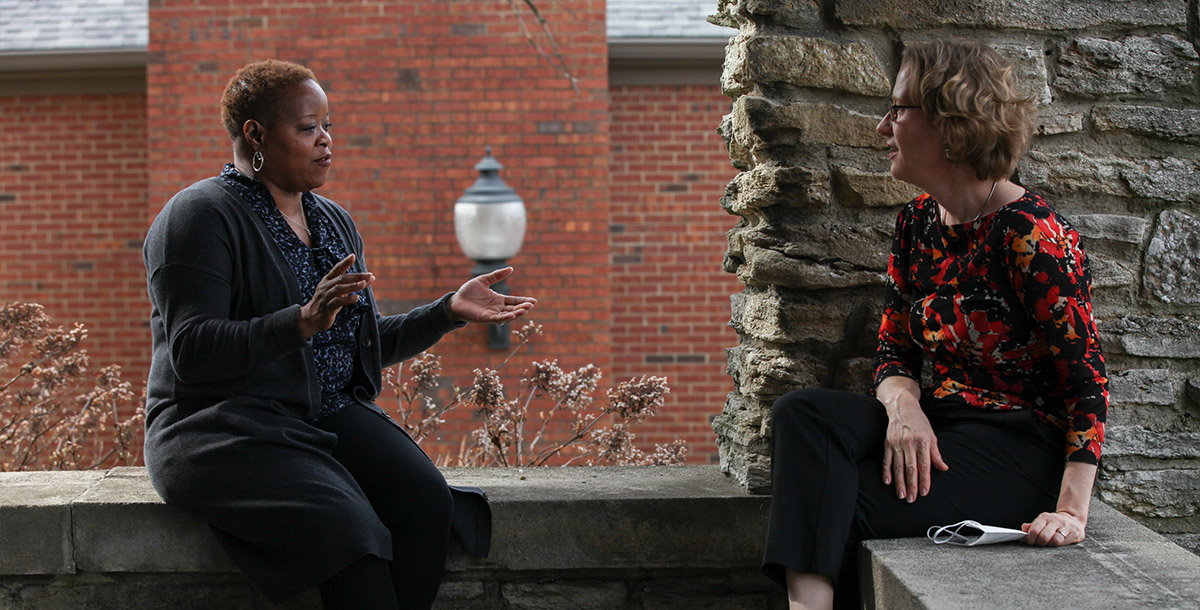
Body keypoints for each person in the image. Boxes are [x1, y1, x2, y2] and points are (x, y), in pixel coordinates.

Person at [142, 59, 536, 610]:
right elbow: (193, 351)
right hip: (220, 426)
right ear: (255, 134)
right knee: (351, 532)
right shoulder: (196, 217)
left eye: (329, 126)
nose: (326, 141)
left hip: (319, 413)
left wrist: (446, 311)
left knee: (425, 500)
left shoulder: (332, 221)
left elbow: (354, 341)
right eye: (308, 128)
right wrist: (299, 322)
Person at [761, 41, 1108, 610]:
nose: (882, 127)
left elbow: (1087, 380)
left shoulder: (1034, 236)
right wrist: (906, 409)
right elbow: (893, 349)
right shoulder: (917, 223)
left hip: (1019, 448)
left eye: (898, 110)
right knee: (801, 412)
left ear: (952, 123)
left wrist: (1070, 511)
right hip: (943, 423)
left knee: (840, 505)